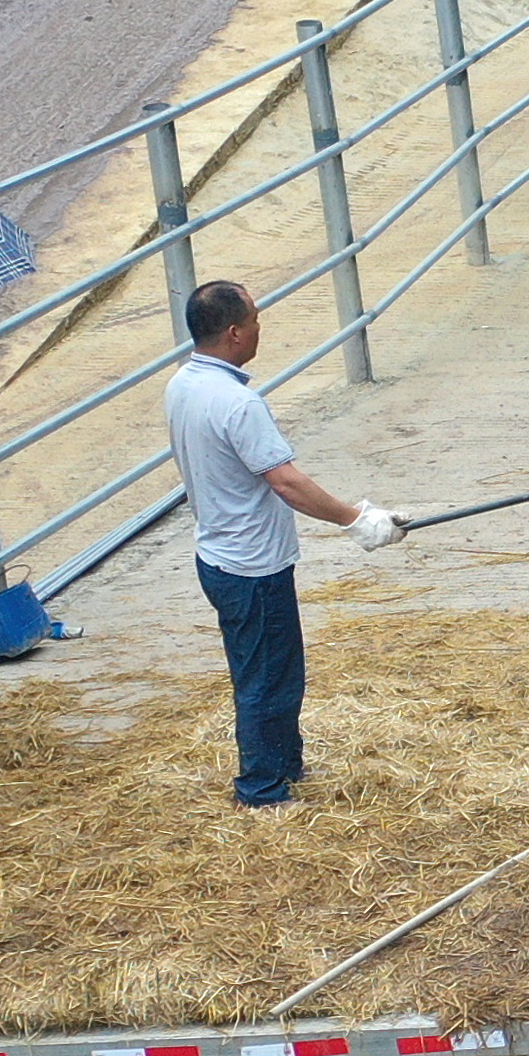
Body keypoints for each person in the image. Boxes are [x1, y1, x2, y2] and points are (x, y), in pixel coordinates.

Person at [162, 281, 401, 809]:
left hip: (220, 553)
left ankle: (285, 763)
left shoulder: (183, 384)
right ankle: (262, 789)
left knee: (274, 670)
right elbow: (287, 482)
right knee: (268, 679)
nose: (259, 330)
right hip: (252, 565)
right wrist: (357, 520)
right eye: (254, 320)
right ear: (233, 332)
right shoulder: (238, 402)